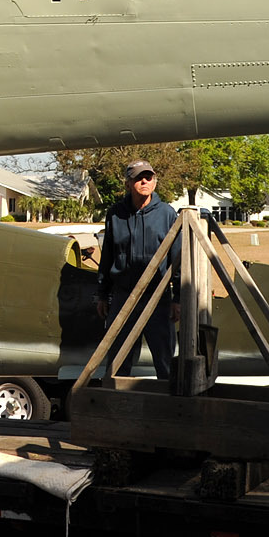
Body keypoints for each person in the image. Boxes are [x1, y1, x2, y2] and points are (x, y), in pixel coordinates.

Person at [95, 160, 179, 381]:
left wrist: (177, 298)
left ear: (155, 181)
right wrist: (102, 295)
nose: (144, 181)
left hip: (158, 299)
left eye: (148, 177)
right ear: (129, 183)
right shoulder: (115, 214)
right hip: (123, 297)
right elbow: (107, 257)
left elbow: (177, 260)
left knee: (165, 362)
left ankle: (172, 411)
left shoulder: (168, 214)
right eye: (139, 178)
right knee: (117, 363)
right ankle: (116, 407)